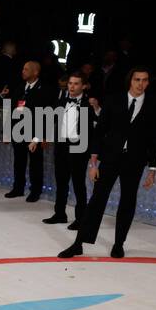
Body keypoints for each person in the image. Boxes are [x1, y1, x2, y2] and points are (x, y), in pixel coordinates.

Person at [59, 68, 156, 259]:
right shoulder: (114, 99)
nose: (141, 83)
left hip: (135, 161)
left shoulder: (154, 104)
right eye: (137, 79)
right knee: (97, 200)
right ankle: (79, 243)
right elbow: (100, 131)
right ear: (130, 81)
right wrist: (93, 162)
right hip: (110, 158)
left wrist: (153, 169)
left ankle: (119, 243)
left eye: (145, 80)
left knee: (128, 201)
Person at [44, 71, 95, 227]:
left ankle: (81, 219)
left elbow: (93, 131)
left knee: (78, 185)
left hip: (79, 149)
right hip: (61, 147)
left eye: (76, 83)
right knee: (61, 183)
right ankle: (59, 214)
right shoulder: (61, 102)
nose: (72, 86)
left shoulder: (88, 105)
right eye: (70, 83)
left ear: (84, 86)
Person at [4, 60, 51, 202]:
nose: (22, 71)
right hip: (18, 131)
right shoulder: (19, 88)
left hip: (34, 132)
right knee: (18, 161)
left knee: (36, 163)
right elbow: (11, 110)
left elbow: (47, 114)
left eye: (26, 69)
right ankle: (18, 187)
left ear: (35, 72)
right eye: (23, 69)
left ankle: (35, 191)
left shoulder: (44, 89)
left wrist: (42, 136)